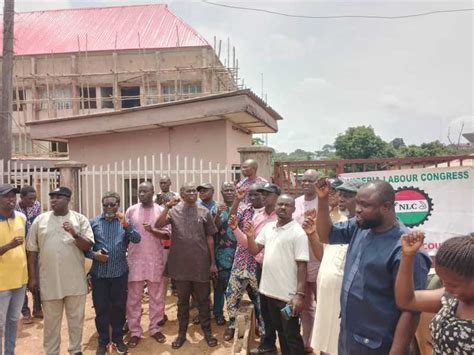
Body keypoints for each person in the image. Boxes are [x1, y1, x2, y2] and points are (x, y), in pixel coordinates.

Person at [315, 178, 431, 354]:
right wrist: (322, 200)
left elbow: (411, 310)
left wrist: (397, 351)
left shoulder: (407, 251)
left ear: (386, 207)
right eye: (358, 203)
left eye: (365, 205)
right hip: (350, 336)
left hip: (379, 344)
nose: (358, 209)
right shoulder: (361, 227)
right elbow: (326, 235)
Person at [27, 187, 94, 355]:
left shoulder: (79, 219)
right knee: (51, 323)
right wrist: (33, 278)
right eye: (52, 197)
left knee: (76, 321)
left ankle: (75, 350)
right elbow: (32, 251)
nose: (54, 200)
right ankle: (51, 351)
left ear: (68, 199)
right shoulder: (40, 220)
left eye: (58, 197)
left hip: (75, 281)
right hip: (50, 282)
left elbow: (88, 246)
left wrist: (74, 233)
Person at [155, 182, 219, 349]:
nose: (192, 193)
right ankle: (182, 334)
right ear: (181, 195)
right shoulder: (174, 211)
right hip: (180, 266)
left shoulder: (204, 212)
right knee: (182, 302)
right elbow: (158, 225)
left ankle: (207, 332)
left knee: (203, 301)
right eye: (188, 191)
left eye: (193, 191)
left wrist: (212, 263)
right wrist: (167, 207)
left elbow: (210, 239)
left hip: (201, 265)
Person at [303, 179, 362, 355]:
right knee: (325, 343)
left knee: (340, 343)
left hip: (344, 298)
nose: (341, 198)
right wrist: (312, 234)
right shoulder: (334, 221)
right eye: (340, 194)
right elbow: (323, 256)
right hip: (326, 293)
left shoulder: (359, 227)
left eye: (348, 195)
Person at [246, 194, 309, 354]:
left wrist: (299, 295)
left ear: (293, 209)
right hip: (267, 292)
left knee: (291, 335)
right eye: (280, 204)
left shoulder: (298, 233)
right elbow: (254, 250)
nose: (283, 207)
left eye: (287, 205)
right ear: (275, 207)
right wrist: (250, 236)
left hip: (287, 297)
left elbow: (302, 266)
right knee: (278, 330)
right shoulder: (268, 228)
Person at [395, 232, 474, 355]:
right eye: (443, 282)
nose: (447, 289)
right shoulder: (452, 299)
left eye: (453, 285)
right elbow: (407, 301)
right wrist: (407, 256)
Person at [87, 192, 141, 355]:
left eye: (113, 205)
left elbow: (137, 239)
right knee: (101, 308)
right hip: (99, 274)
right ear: (102, 206)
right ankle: (103, 340)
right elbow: (85, 248)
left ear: (118, 205)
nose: (109, 208)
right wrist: (95, 255)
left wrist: (127, 225)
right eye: (106, 205)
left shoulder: (125, 222)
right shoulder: (94, 223)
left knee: (118, 307)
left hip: (119, 273)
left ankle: (118, 339)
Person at [125, 182, 170, 348]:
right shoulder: (131, 210)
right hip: (135, 260)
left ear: (152, 192)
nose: (141, 194)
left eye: (145, 191)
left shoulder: (160, 211)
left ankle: (155, 328)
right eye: (140, 191)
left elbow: (167, 234)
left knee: (157, 297)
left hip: (155, 259)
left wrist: (153, 231)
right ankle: (135, 331)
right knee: (133, 298)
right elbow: (125, 232)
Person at [224, 183, 266, 342]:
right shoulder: (244, 209)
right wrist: (237, 200)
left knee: (259, 298)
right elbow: (231, 220)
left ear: (264, 195)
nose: (254, 198)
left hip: (258, 262)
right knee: (232, 294)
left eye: (257, 194)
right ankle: (232, 324)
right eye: (251, 195)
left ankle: (262, 328)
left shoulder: (268, 213)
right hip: (241, 260)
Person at [292, 169, 320, 353]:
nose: (306, 183)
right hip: (300, 262)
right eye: (303, 180)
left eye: (310, 180)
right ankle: (306, 342)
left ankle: (323, 341)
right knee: (304, 305)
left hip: (319, 261)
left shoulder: (323, 203)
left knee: (323, 303)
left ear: (318, 182)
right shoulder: (295, 203)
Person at [0, 184, 27, 355]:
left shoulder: (21, 218)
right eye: (6, 196)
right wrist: (9, 246)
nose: (11, 199)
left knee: (13, 320)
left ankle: (10, 352)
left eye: (13, 196)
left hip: (20, 280)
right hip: (2, 283)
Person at [211, 182, 237, 326]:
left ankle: (234, 316)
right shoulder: (216, 208)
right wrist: (218, 215)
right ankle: (218, 313)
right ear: (221, 192)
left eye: (231, 190)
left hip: (238, 253)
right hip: (221, 253)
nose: (229, 192)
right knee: (220, 286)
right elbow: (213, 229)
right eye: (226, 190)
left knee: (235, 287)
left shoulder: (242, 208)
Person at [15, 185, 42, 323]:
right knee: (21, 280)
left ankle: (38, 307)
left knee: (35, 277)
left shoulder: (37, 205)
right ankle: (25, 311)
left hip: (33, 247)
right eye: (30, 198)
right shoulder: (14, 209)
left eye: (34, 198)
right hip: (18, 248)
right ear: (22, 198)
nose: (33, 201)